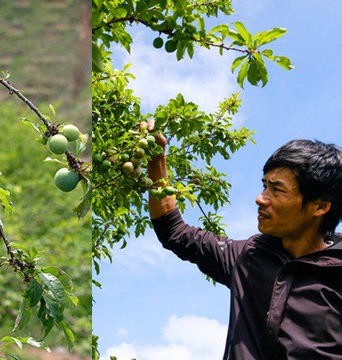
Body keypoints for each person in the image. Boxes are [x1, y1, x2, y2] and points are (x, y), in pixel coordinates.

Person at [143, 120, 342, 359]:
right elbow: (174, 232)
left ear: (320, 206)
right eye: (264, 185)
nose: (260, 198)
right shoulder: (249, 256)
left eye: (277, 190)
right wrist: (156, 162)